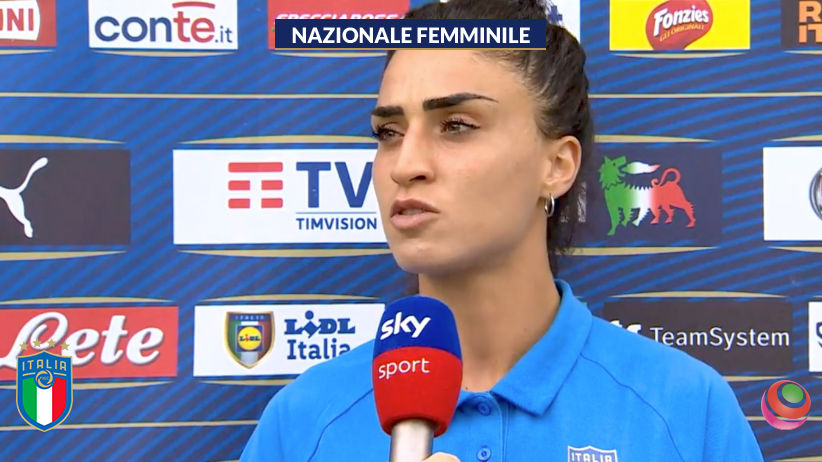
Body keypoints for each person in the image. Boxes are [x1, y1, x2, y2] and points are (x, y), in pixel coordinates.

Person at [240, 1, 764, 460]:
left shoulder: (686, 410)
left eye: (456, 125)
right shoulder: (303, 421)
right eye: (389, 132)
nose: (406, 165)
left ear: (557, 165)